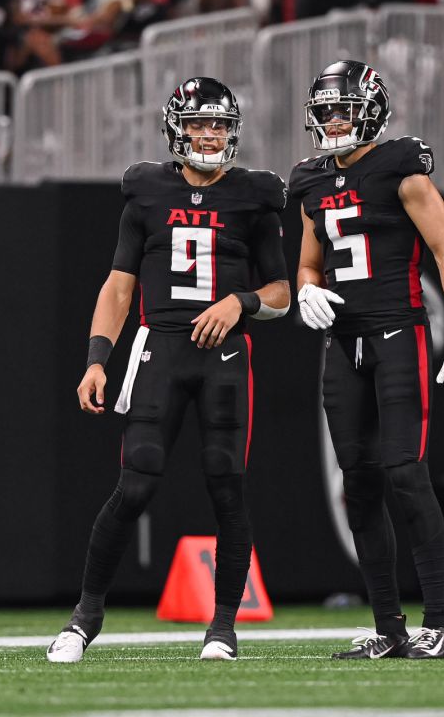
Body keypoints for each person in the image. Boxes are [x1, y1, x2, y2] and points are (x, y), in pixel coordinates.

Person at [46, 77, 291, 663]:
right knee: (134, 484)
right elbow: (119, 286)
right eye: (200, 123)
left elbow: (283, 290)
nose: (210, 134)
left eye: (219, 124)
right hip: (158, 347)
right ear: (177, 128)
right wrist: (96, 360)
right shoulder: (147, 192)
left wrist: (241, 302)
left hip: (226, 354)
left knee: (226, 486)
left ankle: (223, 628)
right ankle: (85, 619)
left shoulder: (255, 197)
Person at [289, 60, 444, 660]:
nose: (333, 120)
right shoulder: (309, 182)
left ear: (370, 109)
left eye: (343, 109)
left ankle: (440, 625)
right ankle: (388, 628)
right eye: (325, 111)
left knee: (406, 471)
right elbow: (308, 262)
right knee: (360, 486)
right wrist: (303, 289)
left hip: (399, 333)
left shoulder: (401, 167)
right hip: (344, 345)